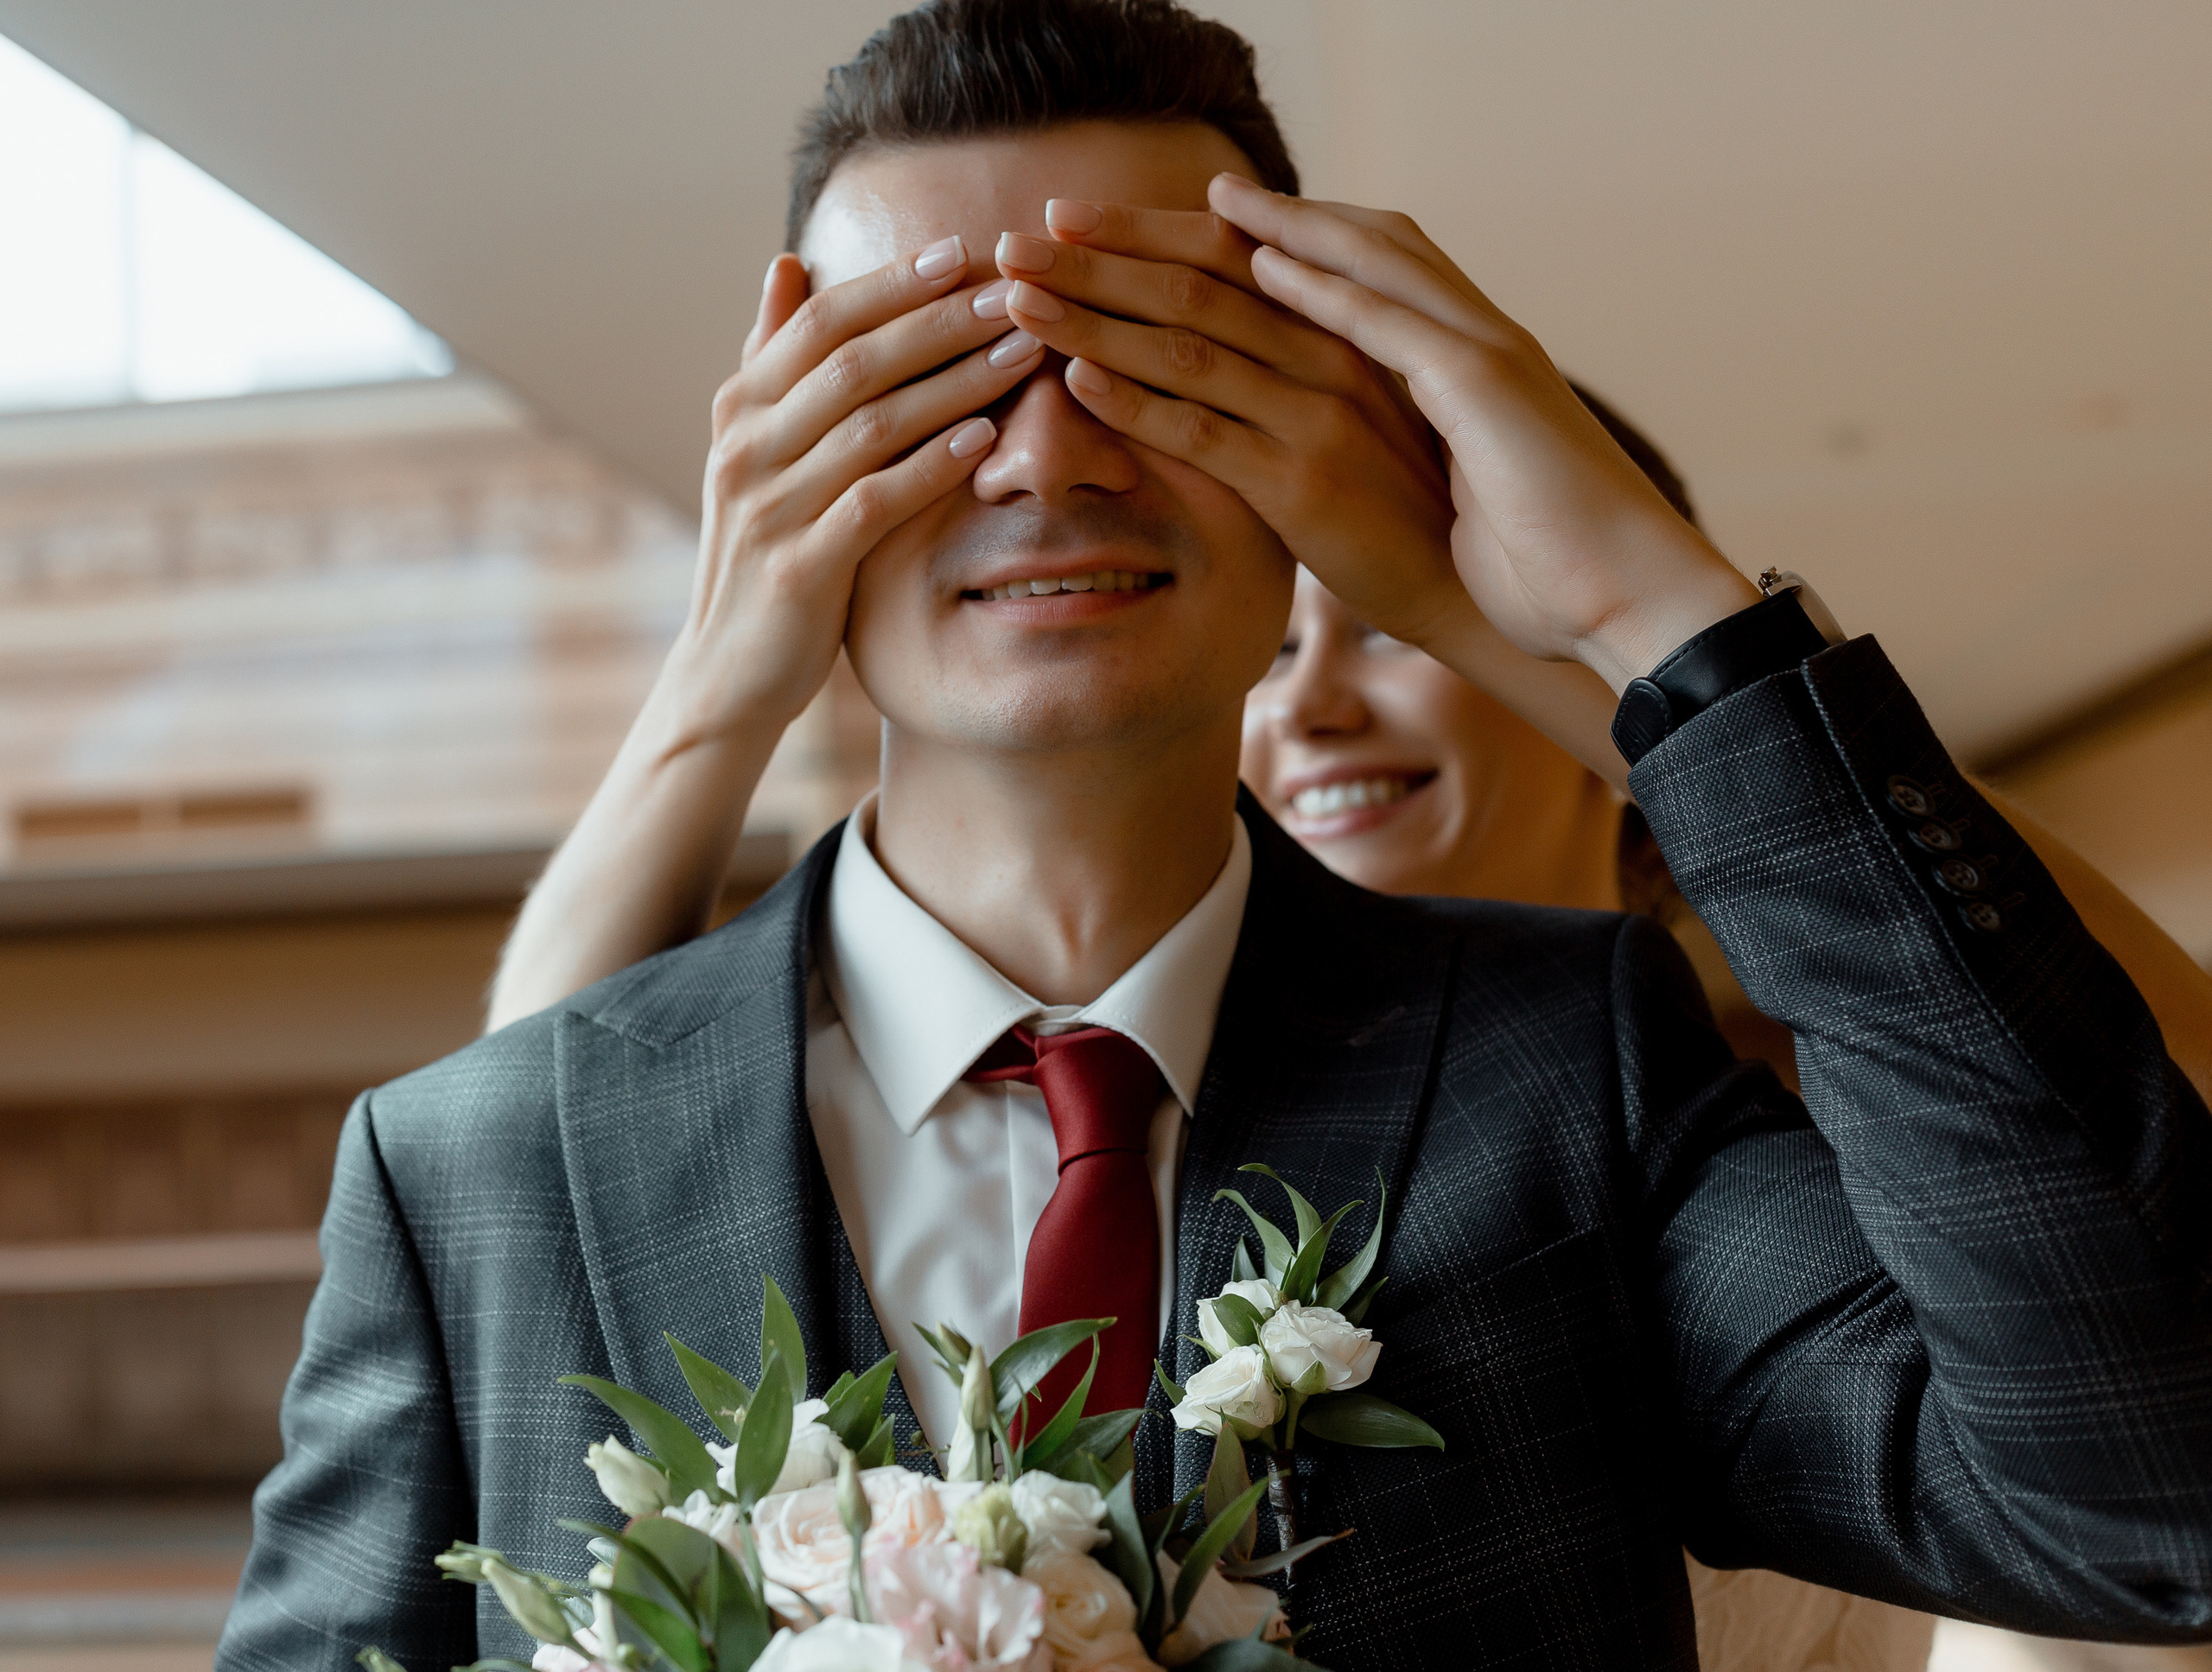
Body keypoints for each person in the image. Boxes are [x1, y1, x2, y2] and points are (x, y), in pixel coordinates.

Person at [217, 5, 2212, 1669]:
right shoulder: (465, 1165)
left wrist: (1639, 612)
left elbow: (2142, 1492)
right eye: (933, 374)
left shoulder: (1572, 1072)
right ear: (786, 450)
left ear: (1330, 429)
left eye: (1149, 356)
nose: (1043, 453)